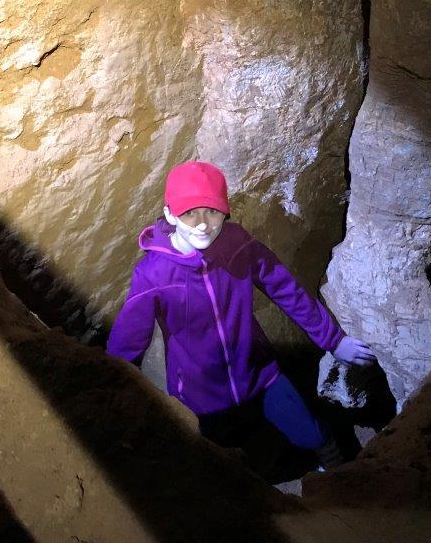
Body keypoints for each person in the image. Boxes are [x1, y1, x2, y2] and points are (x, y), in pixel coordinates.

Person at [107, 161, 376, 469]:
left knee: (312, 434)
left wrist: (334, 341)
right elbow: (128, 342)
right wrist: (115, 401)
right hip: (201, 394)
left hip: (258, 371)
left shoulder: (237, 243)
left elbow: (285, 289)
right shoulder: (153, 274)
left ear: (226, 211)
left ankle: (334, 468)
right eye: (189, 213)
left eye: (212, 211)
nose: (203, 224)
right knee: (219, 465)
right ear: (170, 215)